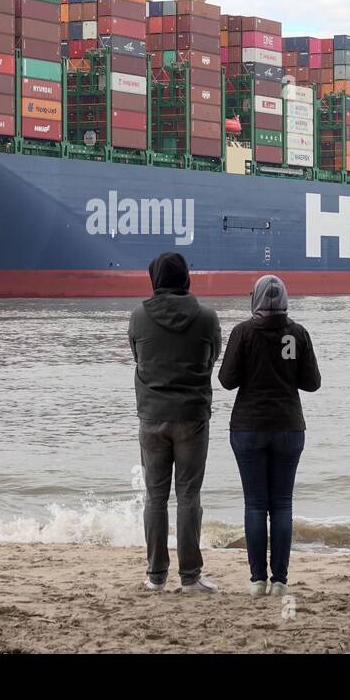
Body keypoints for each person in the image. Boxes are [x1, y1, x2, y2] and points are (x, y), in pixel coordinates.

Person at [218, 275, 320, 597]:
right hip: (289, 426)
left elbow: (226, 380)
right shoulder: (298, 333)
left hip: (248, 427)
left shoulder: (243, 332)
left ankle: (257, 580)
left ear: (255, 300)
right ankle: (280, 581)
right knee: (282, 505)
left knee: (255, 505)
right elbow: (312, 382)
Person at [128, 252, 222, 594]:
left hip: (151, 416)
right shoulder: (207, 317)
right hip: (192, 418)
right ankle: (191, 577)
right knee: (188, 497)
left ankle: (155, 577)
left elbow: (138, 357)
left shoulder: (138, 316)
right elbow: (213, 357)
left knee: (154, 498)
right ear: (186, 277)